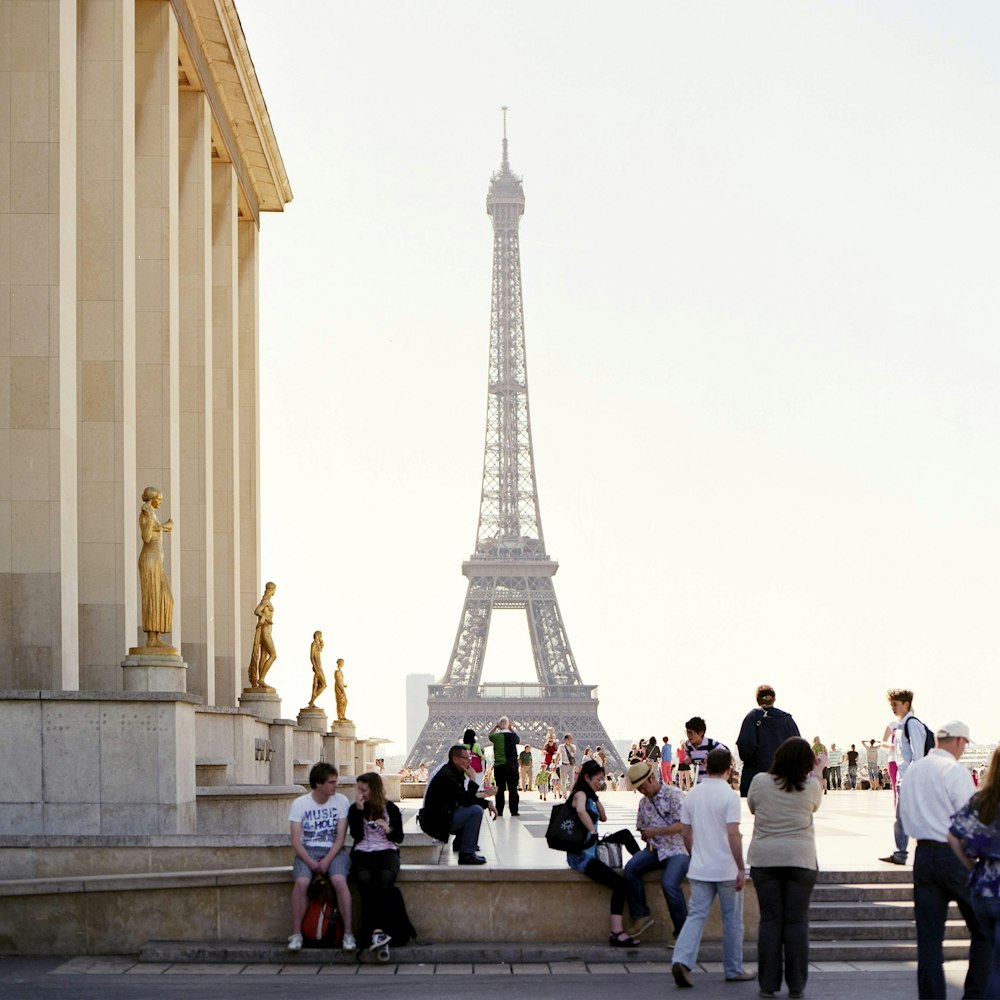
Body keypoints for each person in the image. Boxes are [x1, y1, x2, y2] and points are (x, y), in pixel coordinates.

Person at [898, 720, 988, 999]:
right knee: (983, 931)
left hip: (923, 856)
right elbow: (969, 822)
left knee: (929, 941)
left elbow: (903, 816)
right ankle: (974, 994)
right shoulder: (954, 770)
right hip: (954, 856)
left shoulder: (913, 772)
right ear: (960, 742)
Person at [671, 747, 755, 987]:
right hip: (726, 868)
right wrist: (740, 867)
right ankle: (733, 969)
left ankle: (681, 960)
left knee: (696, 916)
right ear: (730, 768)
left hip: (700, 867)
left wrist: (695, 853)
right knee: (732, 920)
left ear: (705, 766)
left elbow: (686, 832)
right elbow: (733, 834)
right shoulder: (729, 796)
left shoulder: (692, 794)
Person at [748, 737, 823, 999]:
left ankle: (768, 984)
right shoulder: (811, 785)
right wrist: (820, 771)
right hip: (801, 861)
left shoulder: (759, 781)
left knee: (770, 922)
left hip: (765, 860)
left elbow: (753, 808)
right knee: (796, 922)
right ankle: (797, 985)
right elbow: (816, 805)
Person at [565, 759, 643, 946]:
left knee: (624, 834)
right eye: (597, 779)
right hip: (581, 855)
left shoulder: (589, 794)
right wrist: (592, 831)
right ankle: (616, 933)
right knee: (619, 884)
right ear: (586, 777)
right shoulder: (579, 794)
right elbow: (582, 811)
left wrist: (596, 796)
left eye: (601, 779)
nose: (600, 782)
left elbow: (604, 817)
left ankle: (640, 862)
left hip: (591, 847)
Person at [949, 744, 1000, 1000]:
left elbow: (954, 834)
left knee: (987, 952)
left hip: (982, 885)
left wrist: (971, 865)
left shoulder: (982, 800)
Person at [287, 762, 355, 952]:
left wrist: (326, 860)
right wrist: (310, 861)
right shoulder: (300, 803)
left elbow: (340, 837)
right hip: (308, 851)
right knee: (301, 883)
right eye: (331, 782)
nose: (336, 786)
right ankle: (296, 934)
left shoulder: (341, 801)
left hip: (334, 851)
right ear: (318, 784)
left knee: (340, 881)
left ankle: (348, 934)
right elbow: (295, 840)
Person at [622, 760, 689, 940]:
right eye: (638, 789)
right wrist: (646, 835)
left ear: (651, 778)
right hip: (655, 849)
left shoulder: (674, 795)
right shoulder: (644, 803)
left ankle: (682, 933)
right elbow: (642, 827)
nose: (641, 791)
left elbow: (682, 825)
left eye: (642, 787)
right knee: (630, 869)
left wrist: (656, 831)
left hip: (677, 849)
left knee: (669, 884)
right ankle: (641, 915)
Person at [347, 772, 404, 953]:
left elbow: (399, 838)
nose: (360, 793)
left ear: (374, 789)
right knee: (365, 879)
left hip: (386, 850)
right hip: (363, 851)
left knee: (385, 878)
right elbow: (356, 835)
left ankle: (373, 931)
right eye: (359, 790)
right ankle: (379, 931)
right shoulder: (355, 809)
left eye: (363, 790)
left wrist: (388, 828)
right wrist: (358, 810)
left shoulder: (391, 809)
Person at [419, 745, 495, 864]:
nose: (469, 761)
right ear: (455, 759)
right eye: (466, 758)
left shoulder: (452, 771)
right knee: (475, 811)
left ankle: (461, 844)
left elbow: (462, 797)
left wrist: (487, 803)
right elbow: (466, 800)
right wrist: (473, 778)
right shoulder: (447, 776)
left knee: (469, 808)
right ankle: (467, 855)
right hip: (436, 823)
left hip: (441, 817)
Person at [880, 688, 931, 866]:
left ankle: (912, 854)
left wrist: (910, 779)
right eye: (891, 704)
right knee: (902, 819)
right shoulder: (901, 727)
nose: (892, 708)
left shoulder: (912, 725)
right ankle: (901, 853)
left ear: (906, 704)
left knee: (911, 818)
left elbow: (919, 756)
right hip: (905, 779)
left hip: (911, 780)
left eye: (895, 704)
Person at [735, 685, 800, 797]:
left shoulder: (752, 717)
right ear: (774, 699)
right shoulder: (788, 720)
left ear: (758, 699)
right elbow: (798, 748)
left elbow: (746, 745)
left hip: (758, 778)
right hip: (784, 779)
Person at [136, 487, 174, 648]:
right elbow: (146, 537)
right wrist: (152, 519)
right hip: (149, 559)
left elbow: (159, 528)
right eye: (159, 499)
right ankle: (151, 638)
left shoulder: (153, 513)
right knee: (153, 597)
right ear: (152, 499)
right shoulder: (146, 514)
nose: (160, 502)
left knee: (166, 598)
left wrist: (164, 526)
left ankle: (157, 636)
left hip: (157, 561)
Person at [488, 716, 520, 816]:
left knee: (500, 789)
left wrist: (495, 727)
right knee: (513, 789)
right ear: (508, 725)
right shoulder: (513, 736)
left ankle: (500, 810)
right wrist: (510, 728)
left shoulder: (495, 736)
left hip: (499, 766)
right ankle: (514, 811)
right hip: (512, 766)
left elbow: (489, 735)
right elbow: (518, 739)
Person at [248, 582, 277, 688]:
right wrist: (265, 616)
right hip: (266, 632)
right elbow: (256, 611)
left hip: (268, 631)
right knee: (273, 655)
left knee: (264, 656)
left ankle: (261, 680)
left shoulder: (267, 601)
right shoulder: (266, 601)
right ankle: (261, 679)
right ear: (273, 590)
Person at [683, 717, 726, 786]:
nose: (688, 735)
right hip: (698, 783)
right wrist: (687, 759)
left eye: (691, 732)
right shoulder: (688, 745)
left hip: (713, 784)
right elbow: (687, 756)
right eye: (687, 732)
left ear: (701, 733)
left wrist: (712, 760)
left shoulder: (711, 744)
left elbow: (725, 755)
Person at [307, 631, 326, 707]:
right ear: (316, 635)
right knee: (323, 685)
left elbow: (320, 650)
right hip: (317, 667)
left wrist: (322, 643)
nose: (321, 637)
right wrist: (315, 668)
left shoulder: (317, 644)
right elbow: (311, 657)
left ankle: (312, 701)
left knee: (317, 684)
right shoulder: (313, 644)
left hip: (319, 666)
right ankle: (312, 701)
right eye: (320, 636)